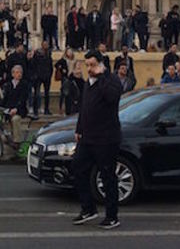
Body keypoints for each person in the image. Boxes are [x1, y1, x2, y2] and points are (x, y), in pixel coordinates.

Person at [72, 50, 123, 230]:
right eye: (87, 65)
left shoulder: (111, 81)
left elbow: (111, 98)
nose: (89, 69)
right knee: (78, 168)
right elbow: (84, 107)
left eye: (92, 65)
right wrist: (79, 129)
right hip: (87, 137)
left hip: (106, 138)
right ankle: (88, 209)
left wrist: (101, 77)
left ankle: (112, 216)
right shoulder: (89, 83)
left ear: (101, 64)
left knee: (108, 176)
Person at [0, 64, 30, 143]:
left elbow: (23, 99)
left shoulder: (24, 84)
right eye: (17, 72)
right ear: (13, 74)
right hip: (8, 109)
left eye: (20, 72)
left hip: (20, 110)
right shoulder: (8, 84)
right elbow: (5, 98)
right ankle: (5, 139)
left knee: (15, 119)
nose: (19, 74)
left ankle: (17, 141)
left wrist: (16, 109)